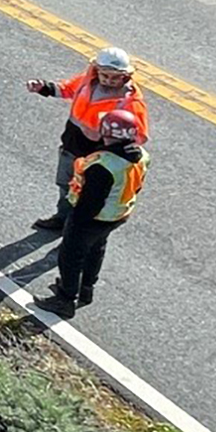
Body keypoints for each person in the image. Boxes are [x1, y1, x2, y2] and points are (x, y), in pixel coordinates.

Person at [27, 44, 147, 231]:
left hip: (97, 156)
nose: (109, 80)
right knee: (66, 185)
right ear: (96, 71)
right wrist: (44, 87)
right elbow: (67, 89)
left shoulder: (130, 103)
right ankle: (62, 218)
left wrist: (115, 145)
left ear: (126, 76)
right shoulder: (87, 82)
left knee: (87, 194)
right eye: (104, 75)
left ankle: (76, 228)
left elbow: (138, 135)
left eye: (115, 77)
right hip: (72, 145)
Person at [50, 108, 146, 309]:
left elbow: (91, 201)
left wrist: (77, 218)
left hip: (93, 217)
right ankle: (85, 290)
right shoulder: (140, 156)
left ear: (105, 133)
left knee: (70, 256)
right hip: (117, 214)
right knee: (96, 250)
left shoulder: (103, 165)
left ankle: (66, 299)